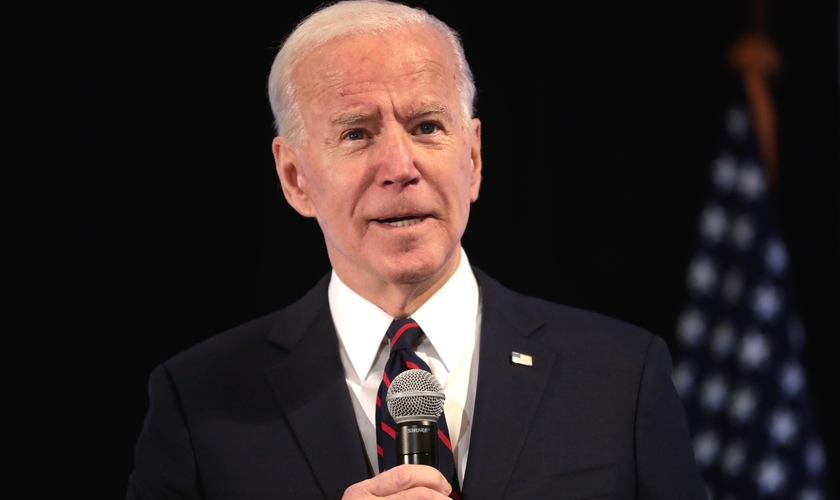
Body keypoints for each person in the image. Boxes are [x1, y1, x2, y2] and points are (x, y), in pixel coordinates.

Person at [127, 1, 707, 499]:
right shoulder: (200, 402)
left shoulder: (621, 377)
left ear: (473, 158)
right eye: (357, 133)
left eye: (428, 126)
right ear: (294, 177)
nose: (400, 168)